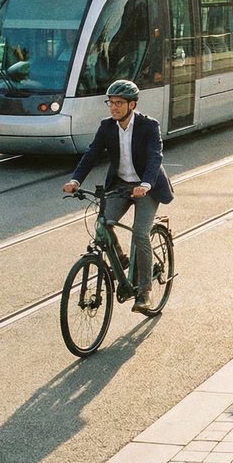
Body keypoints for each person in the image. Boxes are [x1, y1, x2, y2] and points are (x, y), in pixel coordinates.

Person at [63, 79, 173, 312]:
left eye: (119, 103)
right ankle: (122, 259)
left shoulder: (148, 126)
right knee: (103, 223)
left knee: (140, 234)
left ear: (132, 105)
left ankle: (145, 292)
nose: (113, 107)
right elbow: (91, 154)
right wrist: (75, 180)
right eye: (110, 103)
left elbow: (155, 157)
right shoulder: (107, 126)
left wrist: (145, 184)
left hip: (146, 186)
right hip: (121, 185)